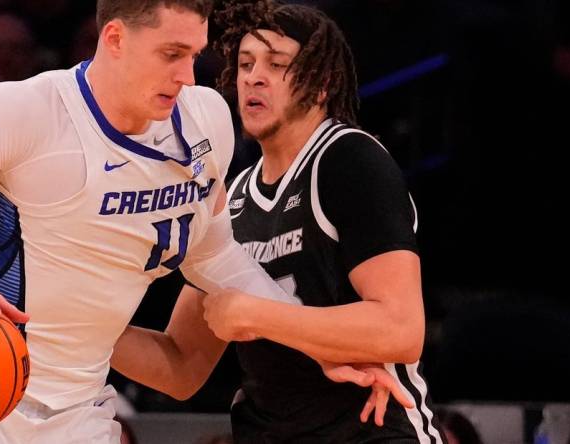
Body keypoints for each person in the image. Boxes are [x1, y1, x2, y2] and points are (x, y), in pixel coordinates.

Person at [0, 1, 368, 442]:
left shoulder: (206, 117)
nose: (188, 76)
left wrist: (317, 347)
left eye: (195, 55)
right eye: (171, 55)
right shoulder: (21, 113)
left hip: (81, 408)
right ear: (116, 38)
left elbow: (215, 256)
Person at [111, 1, 444, 442]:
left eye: (278, 64)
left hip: (369, 432)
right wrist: (77, 321)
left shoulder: (349, 160)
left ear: (322, 83)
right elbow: (181, 367)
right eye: (246, 64)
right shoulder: (231, 197)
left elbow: (401, 329)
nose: (254, 76)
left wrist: (255, 314)